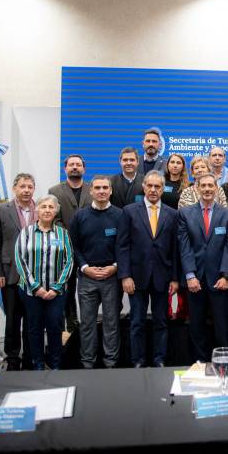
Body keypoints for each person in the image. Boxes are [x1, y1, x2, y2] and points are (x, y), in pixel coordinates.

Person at [117, 171, 179, 368]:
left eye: (157, 186)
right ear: (143, 187)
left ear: (162, 189)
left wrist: (175, 278)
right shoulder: (129, 211)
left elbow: (175, 250)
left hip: (163, 276)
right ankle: (138, 360)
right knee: (137, 322)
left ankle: (159, 359)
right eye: (150, 186)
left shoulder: (173, 213)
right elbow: (123, 246)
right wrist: (125, 275)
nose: (153, 190)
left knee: (161, 322)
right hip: (137, 277)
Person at [178, 173, 228, 362]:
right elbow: (184, 247)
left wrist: (226, 275)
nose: (207, 189)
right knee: (196, 325)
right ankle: (200, 362)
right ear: (197, 188)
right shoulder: (185, 214)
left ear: (216, 188)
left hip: (220, 280)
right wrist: (189, 275)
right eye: (203, 185)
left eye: (211, 185)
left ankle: (225, 362)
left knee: (222, 325)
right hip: (195, 279)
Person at [70, 176, 124, 369]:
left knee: (111, 323)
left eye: (105, 188)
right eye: (97, 188)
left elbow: (124, 245)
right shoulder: (79, 216)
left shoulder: (120, 215)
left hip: (112, 276)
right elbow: (74, 246)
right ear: (91, 191)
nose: (101, 191)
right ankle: (87, 363)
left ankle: (110, 363)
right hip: (87, 277)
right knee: (87, 324)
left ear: (110, 191)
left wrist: (115, 266)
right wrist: (85, 267)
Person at [14, 195, 73, 370]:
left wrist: (56, 288)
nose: (47, 210)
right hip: (31, 292)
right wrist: (36, 287)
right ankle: (37, 364)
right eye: (43, 206)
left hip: (57, 293)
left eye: (51, 207)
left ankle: (55, 364)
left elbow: (68, 261)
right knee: (34, 329)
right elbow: (20, 260)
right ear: (37, 210)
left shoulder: (63, 233)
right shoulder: (26, 232)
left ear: (56, 211)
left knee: (55, 328)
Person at [0, 173, 37, 370]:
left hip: (35, 277)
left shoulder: (41, 209)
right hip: (10, 275)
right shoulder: (1, 210)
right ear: (14, 189)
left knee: (32, 320)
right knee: (12, 321)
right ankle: (13, 359)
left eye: (29, 186)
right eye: (22, 186)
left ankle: (30, 357)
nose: (26, 190)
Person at [48, 154, 91, 334]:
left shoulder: (92, 189)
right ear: (65, 168)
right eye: (71, 165)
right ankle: (71, 325)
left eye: (78, 165)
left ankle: (88, 325)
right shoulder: (54, 191)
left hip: (89, 250)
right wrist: (69, 237)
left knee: (88, 290)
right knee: (68, 289)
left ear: (84, 169)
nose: (75, 167)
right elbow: (54, 219)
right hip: (64, 250)